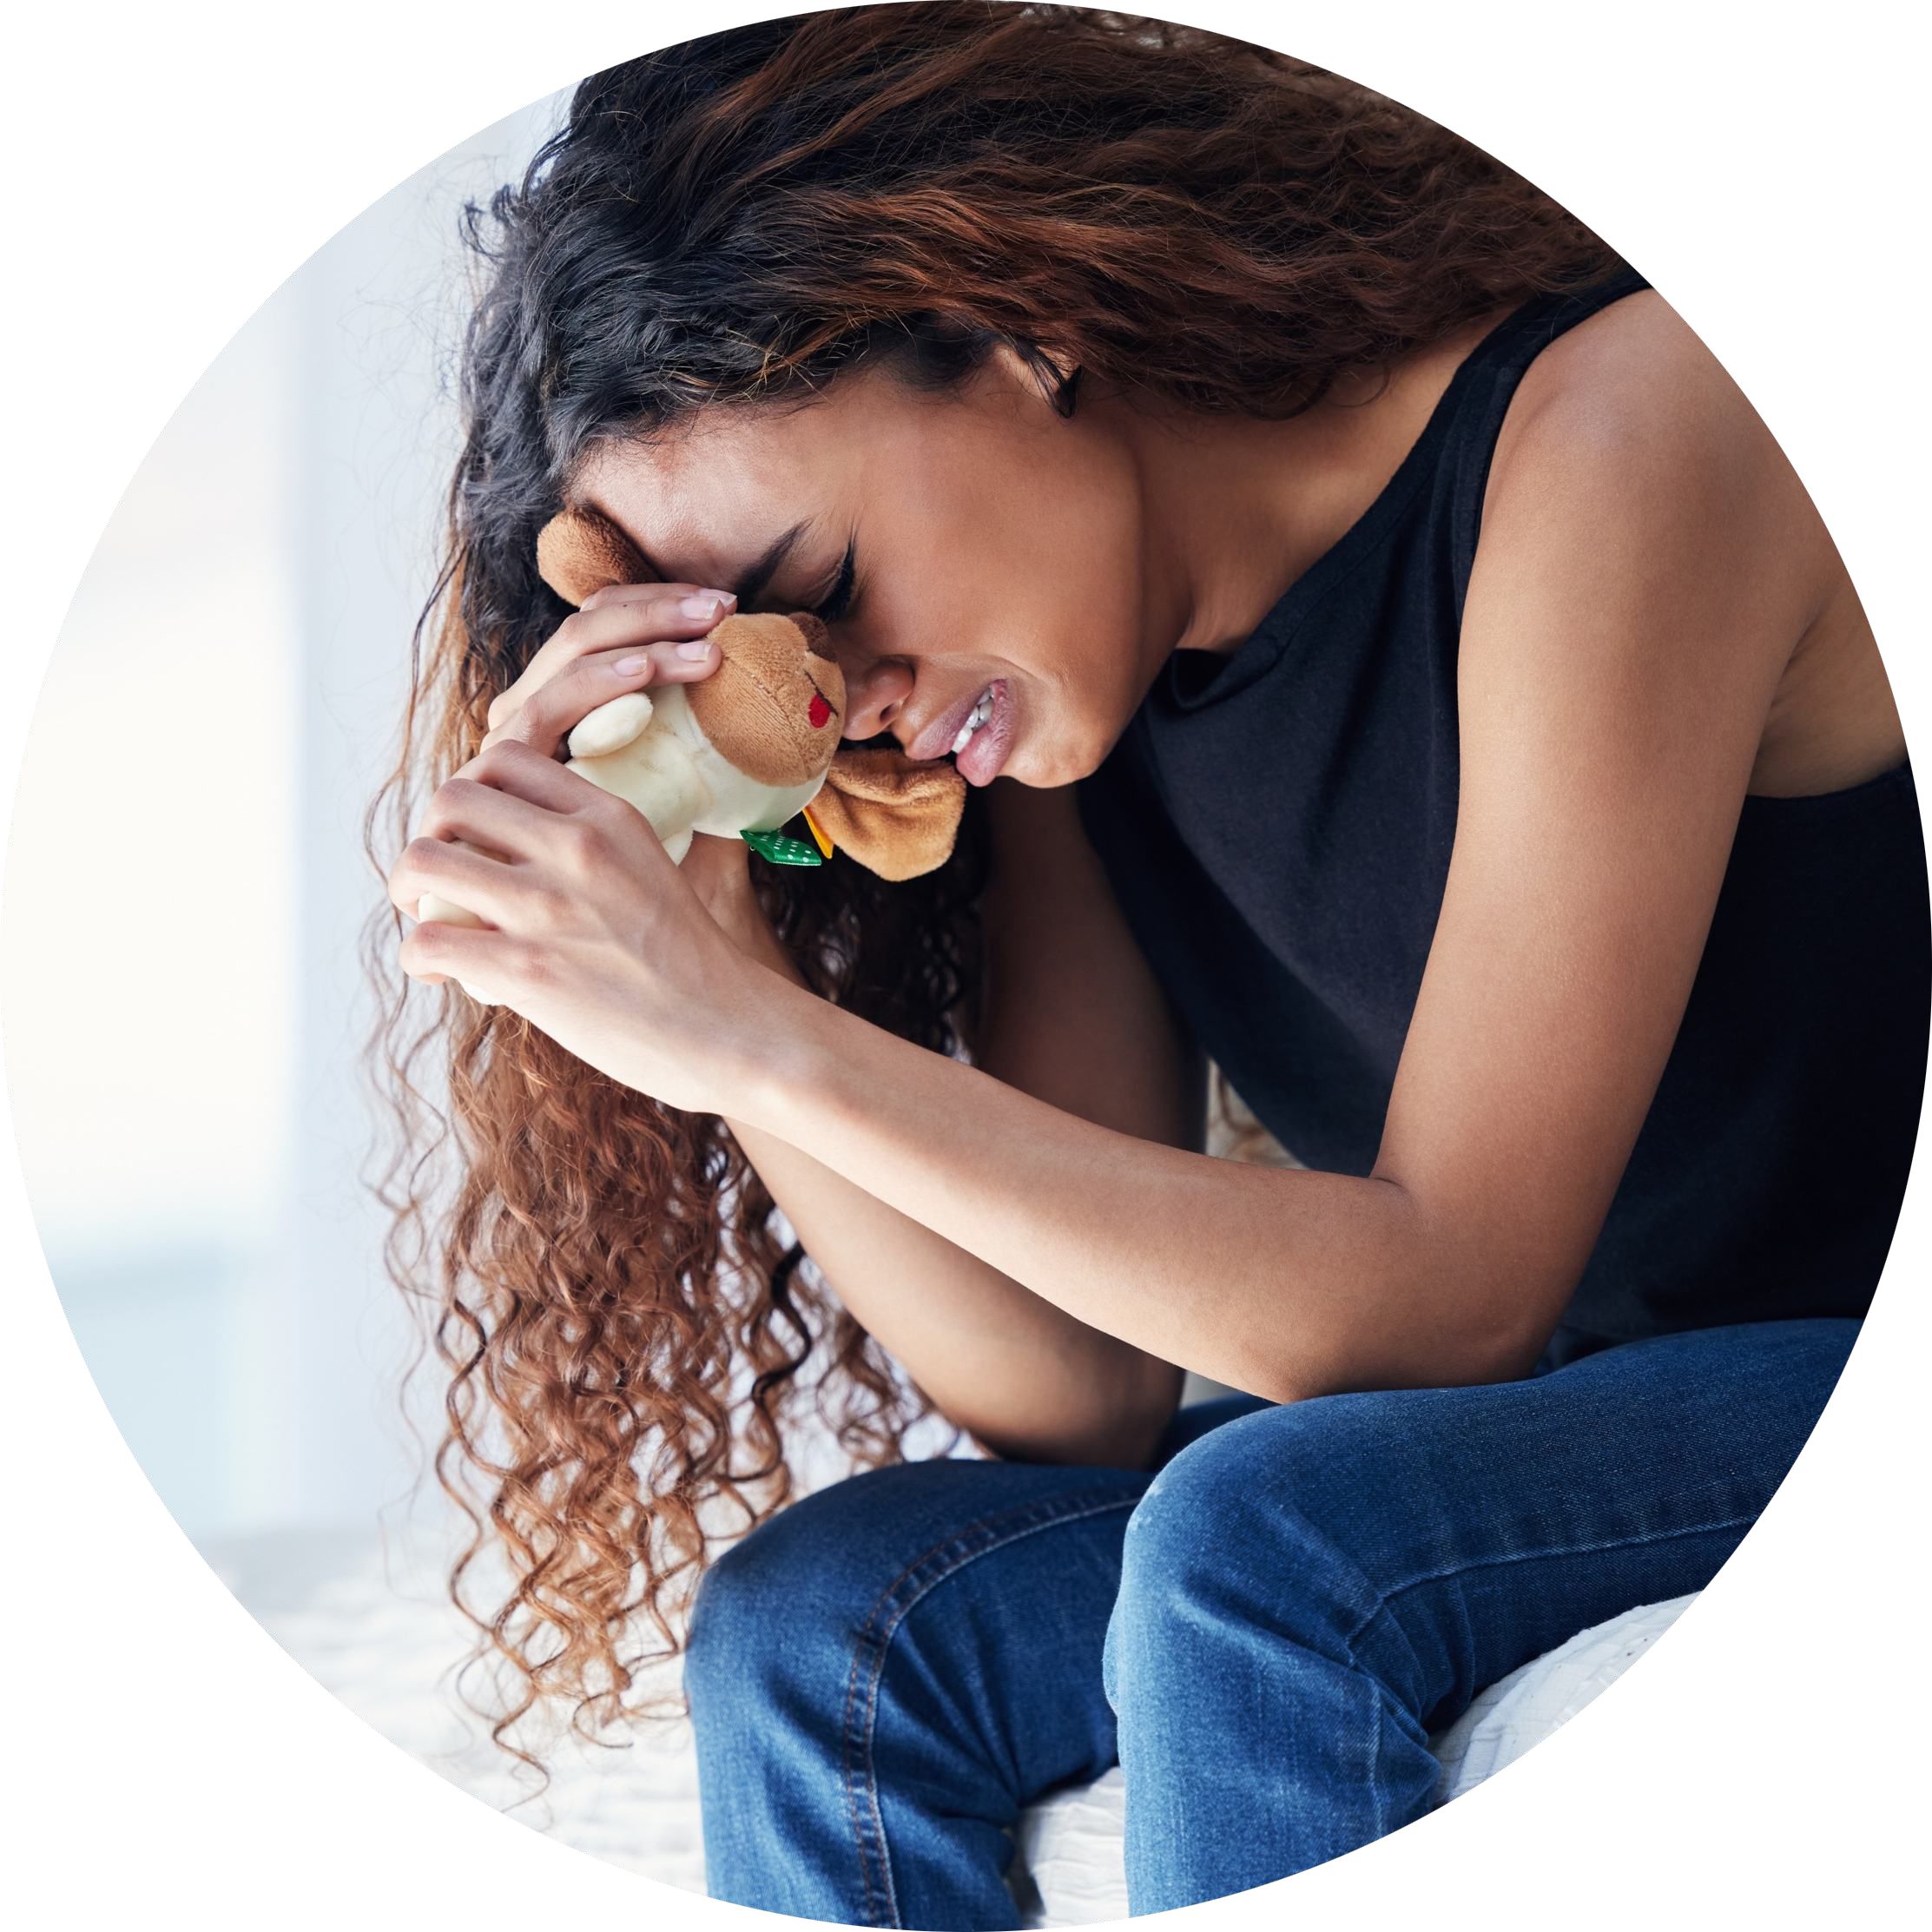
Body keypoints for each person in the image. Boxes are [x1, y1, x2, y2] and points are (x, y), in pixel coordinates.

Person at [367, 5, 1928, 1923]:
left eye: (829, 590)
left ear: (1017, 318)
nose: (836, 701)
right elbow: (1075, 1390)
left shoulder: (1626, 429)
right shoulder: (1053, 703)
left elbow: (1449, 1315)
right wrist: (715, 954)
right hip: (1572, 1427)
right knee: (831, 1623)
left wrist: (764, 1045)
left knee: (1267, 1535)